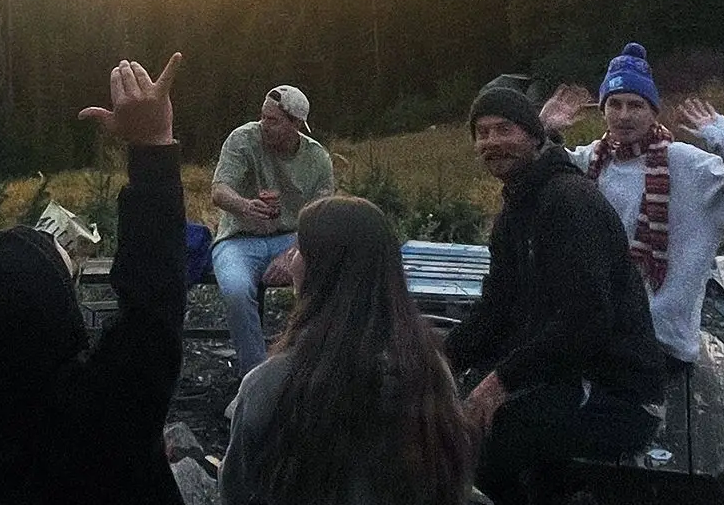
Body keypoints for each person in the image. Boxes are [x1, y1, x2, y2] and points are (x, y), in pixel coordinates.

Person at [0, 53, 187, 505]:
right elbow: (155, 299)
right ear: (56, 316)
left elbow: (152, 310)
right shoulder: (107, 409)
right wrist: (152, 143)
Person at [445, 85, 666, 505]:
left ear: (532, 135)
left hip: (617, 392)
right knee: (460, 413)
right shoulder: (517, 209)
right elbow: (495, 307)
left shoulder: (566, 203)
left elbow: (586, 322)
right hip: (569, 374)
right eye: (482, 133)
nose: (492, 142)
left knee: (485, 442)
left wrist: (499, 382)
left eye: (504, 129)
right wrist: (440, 361)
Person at [219, 195, 476, 505]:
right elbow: (454, 479)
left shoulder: (271, 382)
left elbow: (234, 490)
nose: (291, 260)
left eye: (299, 249)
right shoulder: (429, 369)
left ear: (322, 268)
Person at [545, 43, 724, 368]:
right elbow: (539, 174)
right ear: (603, 109)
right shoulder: (594, 161)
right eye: (614, 104)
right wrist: (544, 131)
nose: (623, 115)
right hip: (596, 334)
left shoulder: (687, 165)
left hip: (662, 344)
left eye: (635, 105)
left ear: (652, 111)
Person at [210, 85, 334, 381]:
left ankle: (310, 368)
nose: (265, 125)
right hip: (239, 239)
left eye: (274, 121)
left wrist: (293, 252)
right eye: (263, 117)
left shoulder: (317, 159)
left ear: (296, 125)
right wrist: (243, 205)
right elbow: (218, 190)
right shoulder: (243, 139)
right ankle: (254, 379)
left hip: (293, 237)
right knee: (236, 290)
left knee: (325, 280)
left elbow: (322, 216)